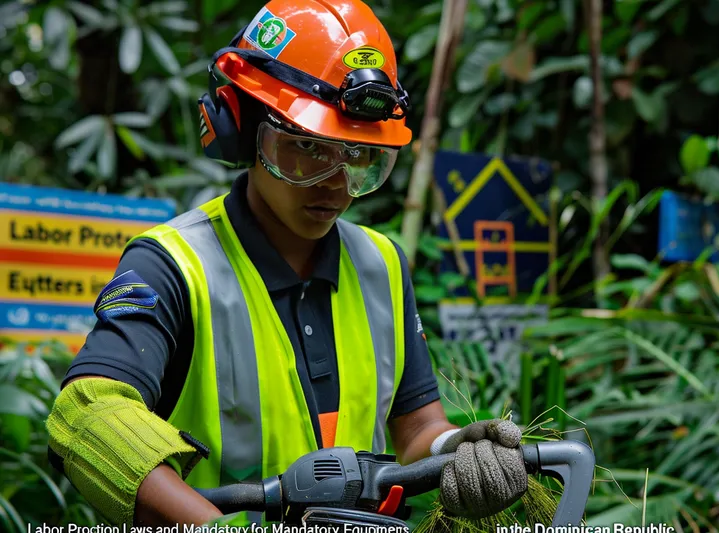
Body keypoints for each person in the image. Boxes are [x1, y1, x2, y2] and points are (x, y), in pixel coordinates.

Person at [45, 0, 528, 527]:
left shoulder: (382, 264)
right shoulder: (174, 265)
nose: (336, 184)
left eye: (358, 155)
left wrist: (456, 447)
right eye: (307, 148)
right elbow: (90, 412)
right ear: (240, 128)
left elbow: (415, 430)